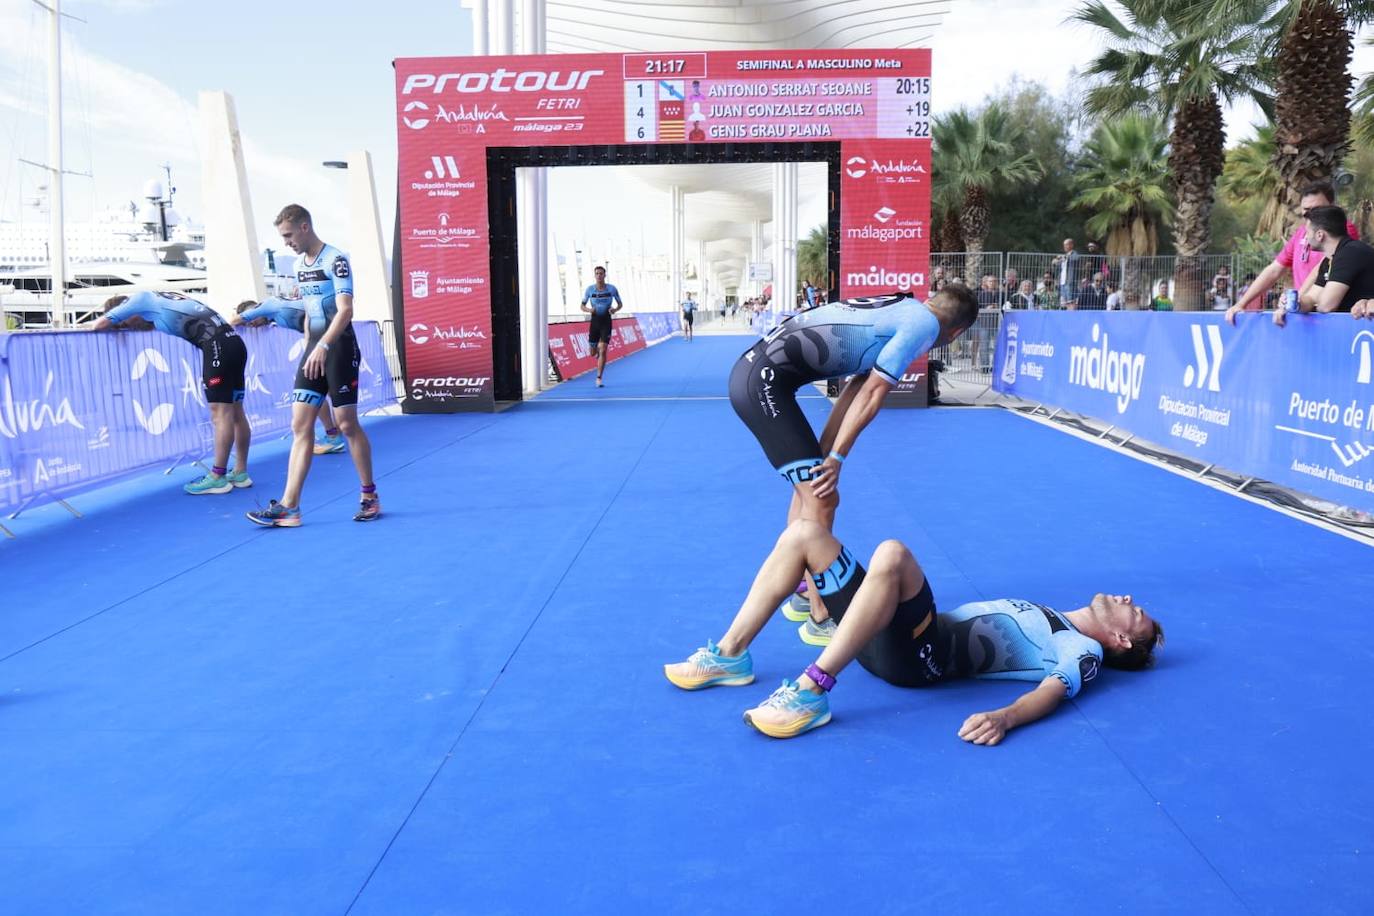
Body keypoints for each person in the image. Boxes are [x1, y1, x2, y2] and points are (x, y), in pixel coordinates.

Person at [664, 520, 1164, 740]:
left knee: (894, 554)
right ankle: (730, 655)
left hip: (922, 659)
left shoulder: (1080, 649)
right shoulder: (1051, 612)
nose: (1126, 599)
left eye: (1134, 612)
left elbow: (1054, 692)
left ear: (1121, 641)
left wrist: (1007, 718)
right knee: (804, 535)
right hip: (886, 633)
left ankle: (812, 691)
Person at [728, 287, 979, 642]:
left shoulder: (905, 309)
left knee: (813, 488)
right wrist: (837, 459)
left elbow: (857, 386)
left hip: (758, 377)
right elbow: (874, 394)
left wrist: (827, 454)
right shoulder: (922, 327)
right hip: (763, 386)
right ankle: (819, 615)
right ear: (956, 334)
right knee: (823, 498)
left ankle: (802, 588)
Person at [247, 204, 380, 528]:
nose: (286, 242)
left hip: (339, 349)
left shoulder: (336, 259)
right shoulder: (297, 265)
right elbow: (309, 311)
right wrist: (309, 347)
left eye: (289, 235)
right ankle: (289, 506)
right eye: (283, 236)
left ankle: (369, 495)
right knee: (299, 425)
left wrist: (323, 346)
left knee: (347, 425)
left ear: (305, 227)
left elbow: (345, 310)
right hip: (314, 352)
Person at [91, 291, 252, 495]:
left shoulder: (139, 300)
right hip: (234, 344)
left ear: (123, 309)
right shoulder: (159, 300)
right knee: (236, 412)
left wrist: (108, 322)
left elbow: (98, 325)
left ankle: (218, 477)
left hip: (217, 348)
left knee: (221, 414)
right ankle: (240, 472)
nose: (128, 327)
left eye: (124, 323)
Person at [1226, 180, 1361, 324]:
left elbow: (1321, 269)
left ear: (1332, 206)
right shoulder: (1301, 232)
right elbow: (1275, 269)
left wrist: (1293, 302)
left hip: (1326, 317)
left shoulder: (1343, 230)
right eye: (1306, 211)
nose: (1311, 215)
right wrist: (1241, 304)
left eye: (1317, 209)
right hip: (1302, 314)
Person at [231, 298, 344, 454]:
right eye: (248, 326)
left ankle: (334, 436)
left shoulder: (268, 305)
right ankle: (337, 433)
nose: (252, 326)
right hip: (331, 339)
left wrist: (230, 324)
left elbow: (235, 320)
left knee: (314, 391)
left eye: (251, 321)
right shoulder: (274, 315)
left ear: (254, 310)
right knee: (327, 390)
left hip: (326, 342)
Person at [1278, 205, 1374, 327]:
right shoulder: (1329, 260)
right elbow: (1311, 298)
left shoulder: (1349, 253)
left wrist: (1316, 303)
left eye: (1307, 232)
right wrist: (1296, 303)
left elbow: (1326, 306)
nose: (1305, 237)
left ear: (1319, 235)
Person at [581, 266, 623, 387]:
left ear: (605, 275)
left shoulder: (612, 289)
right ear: (595, 276)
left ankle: (599, 377)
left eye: (601, 274)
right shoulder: (590, 290)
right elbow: (582, 306)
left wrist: (614, 309)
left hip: (606, 321)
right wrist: (589, 310)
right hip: (594, 322)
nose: (599, 276)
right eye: (597, 274)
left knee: (603, 348)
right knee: (593, 353)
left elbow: (620, 304)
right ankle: (597, 354)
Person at [1052, 239, 1081, 308]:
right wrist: (1055, 261)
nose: (1064, 247)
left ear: (1071, 245)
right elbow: (1056, 265)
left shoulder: (1074, 254)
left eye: (1066, 245)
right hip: (1062, 282)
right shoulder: (1064, 256)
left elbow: (1076, 258)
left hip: (1069, 282)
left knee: (1070, 302)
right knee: (1063, 303)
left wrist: (1063, 257)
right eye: (1064, 245)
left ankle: (1071, 317)